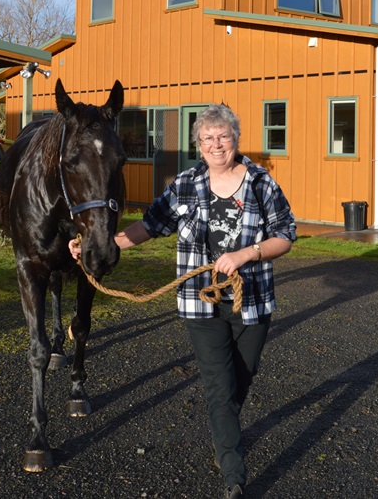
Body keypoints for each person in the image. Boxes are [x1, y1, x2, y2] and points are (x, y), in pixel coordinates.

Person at [69, 104, 296, 498]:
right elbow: (149, 225)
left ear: (235, 139)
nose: (216, 144)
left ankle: (224, 436)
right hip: (200, 302)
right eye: (207, 138)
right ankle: (234, 476)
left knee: (242, 377)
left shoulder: (261, 182)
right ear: (199, 145)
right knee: (219, 386)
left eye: (223, 136)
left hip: (252, 300)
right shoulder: (186, 184)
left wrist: (247, 254)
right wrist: (99, 243)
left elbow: (285, 235)